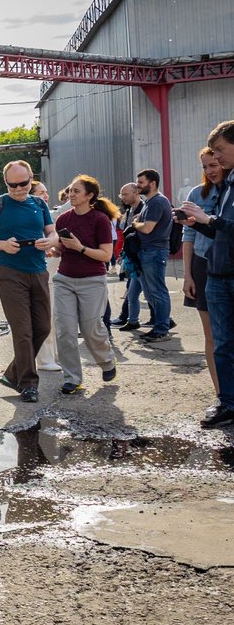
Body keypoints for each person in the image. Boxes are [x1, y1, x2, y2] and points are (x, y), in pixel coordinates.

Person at [0, 159, 57, 402]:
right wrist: (3, 245)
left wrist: (50, 241)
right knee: (22, 331)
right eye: (12, 185)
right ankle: (28, 384)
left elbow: (52, 232)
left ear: (31, 179)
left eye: (23, 184)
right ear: (6, 183)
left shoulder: (39, 204)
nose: (18, 189)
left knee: (43, 327)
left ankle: (13, 373)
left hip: (38, 270)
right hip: (9, 272)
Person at [179, 120, 234, 428]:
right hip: (217, 272)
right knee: (222, 343)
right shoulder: (225, 187)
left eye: (220, 151)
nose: (217, 160)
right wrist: (197, 224)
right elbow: (221, 232)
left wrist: (209, 220)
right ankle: (227, 403)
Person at [51, 176, 119, 395]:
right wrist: (53, 250)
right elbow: (62, 249)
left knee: (91, 329)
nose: (71, 194)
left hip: (92, 281)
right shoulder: (63, 219)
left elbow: (106, 255)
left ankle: (107, 360)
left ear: (89, 196)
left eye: (76, 191)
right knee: (65, 332)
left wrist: (80, 248)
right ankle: (72, 378)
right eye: (70, 190)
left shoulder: (100, 220)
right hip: (64, 280)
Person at [183, 146, 224, 404]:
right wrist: (187, 275)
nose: (209, 171)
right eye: (205, 167)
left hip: (227, 266)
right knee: (212, 336)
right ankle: (221, 395)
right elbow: (189, 235)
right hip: (203, 265)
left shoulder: (229, 191)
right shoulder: (197, 193)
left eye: (214, 165)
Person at [131, 168, 174, 342]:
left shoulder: (157, 202)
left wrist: (135, 224)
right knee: (151, 292)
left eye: (141, 182)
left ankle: (162, 329)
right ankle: (161, 324)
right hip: (149, 251)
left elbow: (148, 228)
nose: (137, 185)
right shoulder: (151, 201)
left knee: (157, 291)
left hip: (154, 251)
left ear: (153, 183)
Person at [31, 181, 62, 372]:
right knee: (45, 317)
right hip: (44, 271)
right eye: (41, 192)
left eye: (46, 192)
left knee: (53, 317)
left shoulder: (43, 213)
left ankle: (53, 355)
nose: (46, 196)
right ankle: (44, 359)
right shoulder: (37, 214)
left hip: (54, 271)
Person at [113, 181, 145, 330]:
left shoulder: (144, 209)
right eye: (121, 194)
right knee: (132, 291)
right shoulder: (129, 210)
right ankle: (130, 319)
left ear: (136, 193)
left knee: (151, 291)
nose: (122, 197)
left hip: (142, 256)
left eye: (125, 194)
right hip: (131, 256)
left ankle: (163, 321)